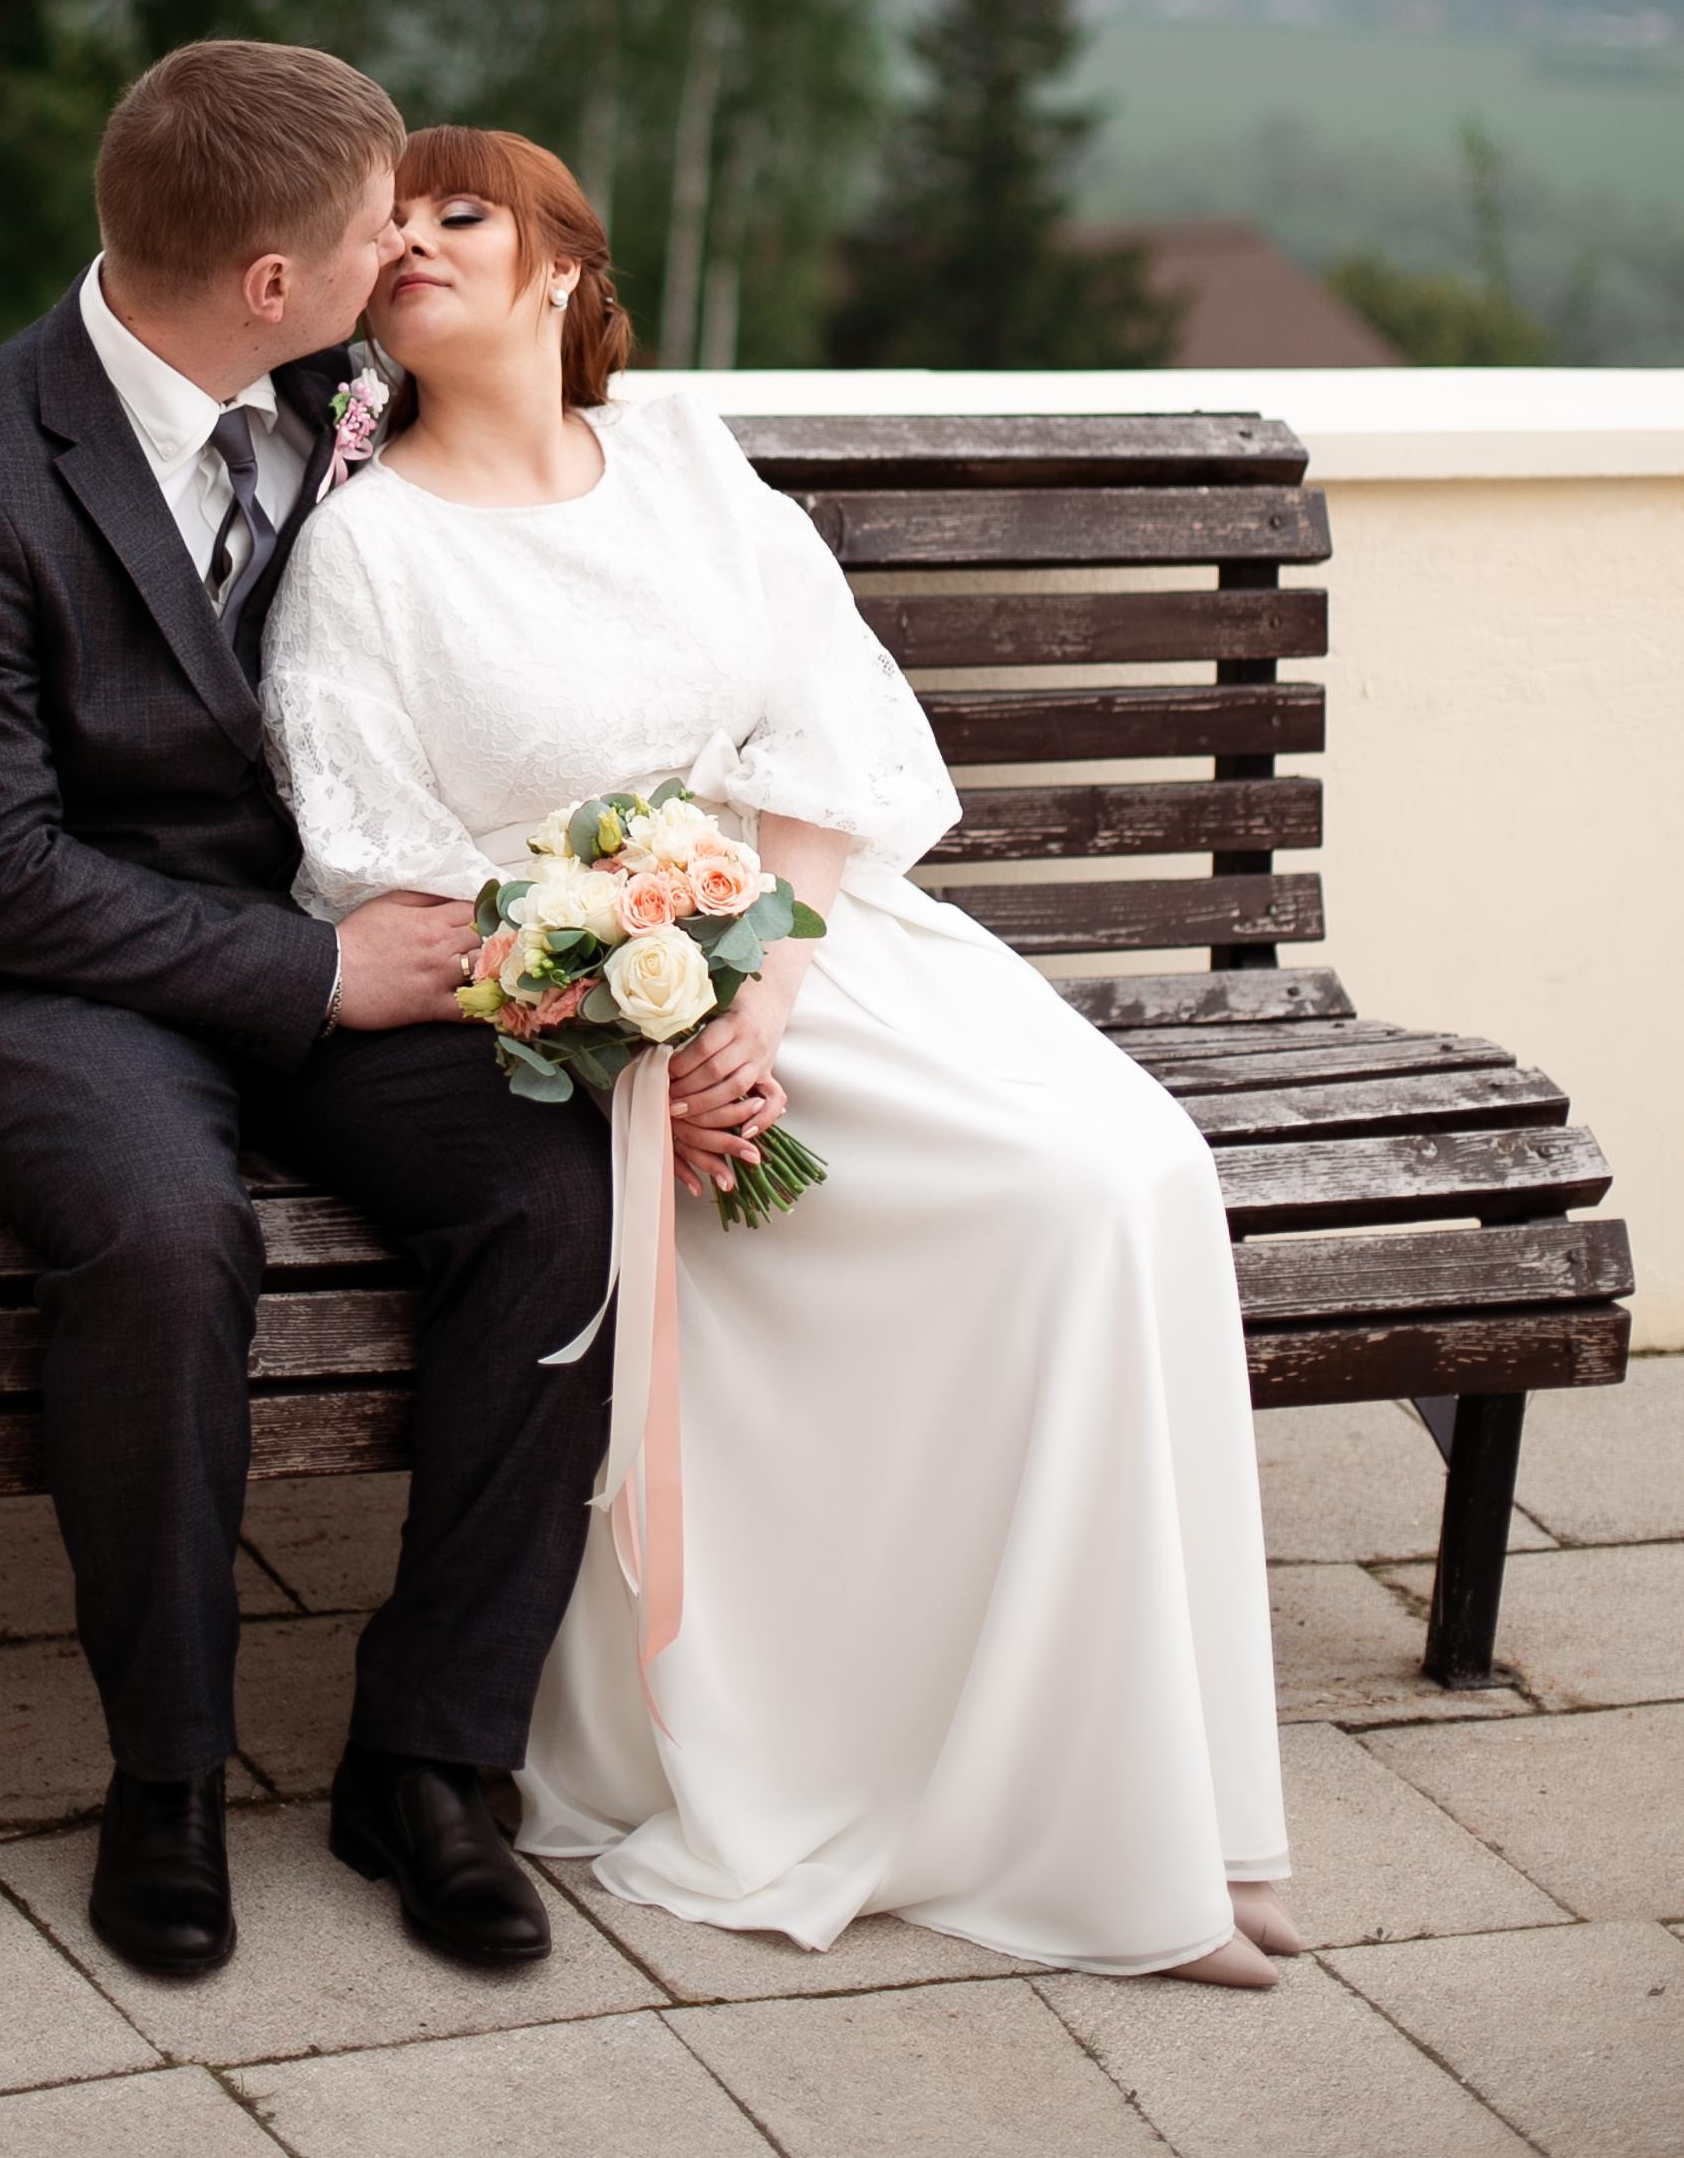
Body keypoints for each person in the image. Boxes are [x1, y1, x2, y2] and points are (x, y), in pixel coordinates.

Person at [259, 123, 1299, 1986]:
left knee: (1140, 1175)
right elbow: (386, 875)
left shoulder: (676, 456)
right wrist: (641, 1020)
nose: (410, 237)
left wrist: (770, 973)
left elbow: (825, 727)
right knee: (1041, 1213)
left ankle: (1175, 1805)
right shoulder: (365, 551)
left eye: (460, 210)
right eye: (386, 221)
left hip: (820, 955)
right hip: (585, 1022)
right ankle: (1033, 1825)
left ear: (562, 267)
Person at [0, 47, 615, 1983]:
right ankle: (164, 1774)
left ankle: (428, 1757)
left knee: (551, 1192)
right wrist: (314, 971)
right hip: (57, 979)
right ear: (269, 279)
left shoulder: (350, 391)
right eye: (369, 229)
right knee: (172, 1244)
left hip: (341, 941)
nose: (401, 249)